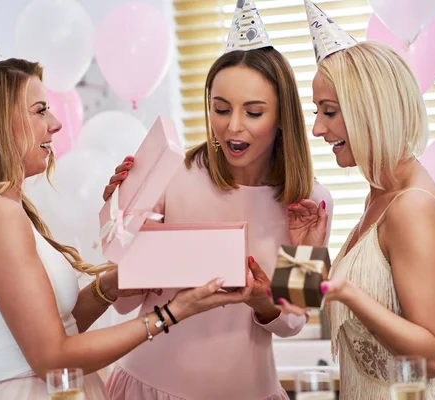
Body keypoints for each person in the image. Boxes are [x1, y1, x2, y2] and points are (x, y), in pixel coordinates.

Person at [0, 3, 249, 399]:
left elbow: (57, 329)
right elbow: (51, 357)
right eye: (40, 111)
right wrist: (173, 312)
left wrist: (111, 285)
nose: (55, 124)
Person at [103, 2, 333, 399]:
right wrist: (122, 221)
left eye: (254, 112)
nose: (233, 126)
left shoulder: (310, 203)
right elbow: (124, 305)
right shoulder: (171, 173)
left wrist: (267, 304)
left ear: (282, 118)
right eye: (221, 109)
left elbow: (294, 321)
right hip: (149, 388)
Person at [302, 2, 435, 399]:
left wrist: (348, 294)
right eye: (317, 111)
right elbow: (294, 306)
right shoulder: (381, 193)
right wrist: (308, 246)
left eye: (330, 112)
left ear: (369, 111)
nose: (318, 128)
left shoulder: (411, 207)